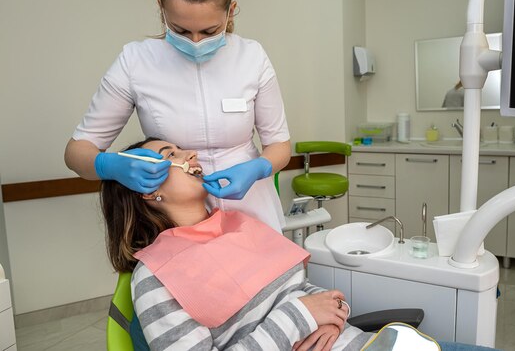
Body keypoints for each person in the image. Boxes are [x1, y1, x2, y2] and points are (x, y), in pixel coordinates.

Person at [65, 0, 290, 232]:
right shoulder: (136, 61)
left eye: (209, 31)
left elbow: (279, 145)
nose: (196, 42)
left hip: (252, 211)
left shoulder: (252, 57)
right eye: (181, 30)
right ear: (161, 7)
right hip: (178, 225)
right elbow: (76, 152)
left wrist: (259, 167)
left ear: (231, 11)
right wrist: (109, 165)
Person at [102, 137, 372, 350]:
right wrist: (302, 315)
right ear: (148, 190)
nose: (191, 155)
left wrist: (336, 314)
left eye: (182, 149)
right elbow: (302, 308)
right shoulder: (155, 276)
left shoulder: (240, 224)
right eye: (171, 154)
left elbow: (300, 290)